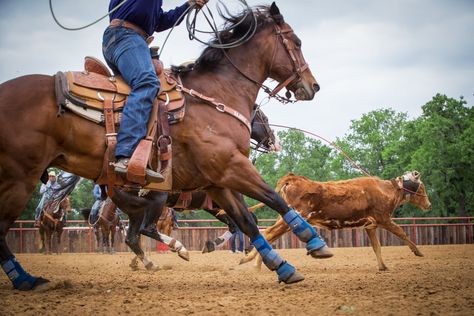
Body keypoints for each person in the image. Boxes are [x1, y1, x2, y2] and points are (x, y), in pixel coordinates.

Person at [103, 0, 208, 183]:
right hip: (126, 36)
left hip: (128, 39)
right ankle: (125, 154)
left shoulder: (150, 6)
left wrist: (188, 5)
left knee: (145, 89)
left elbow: (160, 21)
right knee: (147, 83)